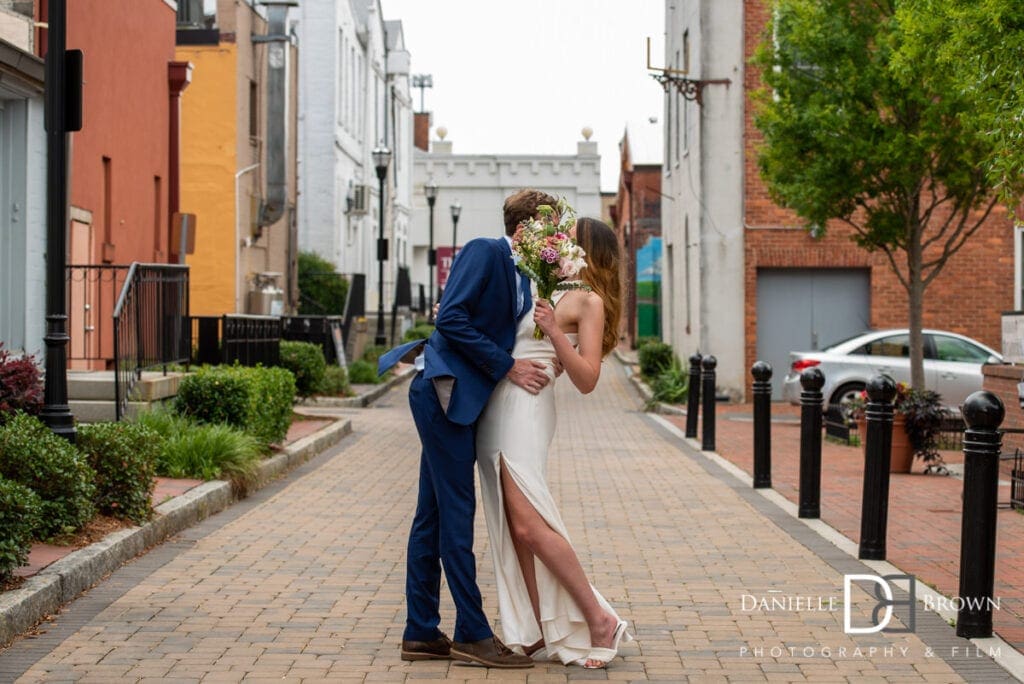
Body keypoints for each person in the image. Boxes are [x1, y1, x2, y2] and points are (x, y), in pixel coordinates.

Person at [376, 189, 558, 669]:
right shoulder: (485, 250)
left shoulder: (524, 274)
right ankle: (472, 634)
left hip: (460, 400)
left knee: (432, 515)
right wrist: (508, 367)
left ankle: (420, 632)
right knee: (458, 515)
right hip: (444, 394)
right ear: (525, 229)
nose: (554, 241)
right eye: (550, 230)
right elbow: (451, 318)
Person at [476, 217, 631, 669]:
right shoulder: (535, 284)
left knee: (529, 524)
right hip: (498, 401)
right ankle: (538, 630)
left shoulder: (588, 300)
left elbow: (586, 378)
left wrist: (555, 333)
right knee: (513, 530)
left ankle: (598, 619)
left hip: (528, 408)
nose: (557, 240)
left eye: (568, 236)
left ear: (586, 249)